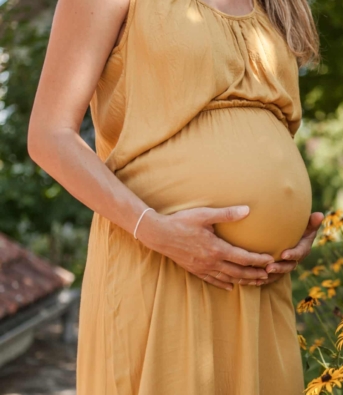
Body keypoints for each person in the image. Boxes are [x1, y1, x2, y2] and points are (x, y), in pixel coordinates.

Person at [27, 0, 324, 393]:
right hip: (161, 262)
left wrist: (286, 220)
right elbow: (49, 136)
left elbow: (267, 126)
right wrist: (155, 229)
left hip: (259, 286)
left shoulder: (274, 5)